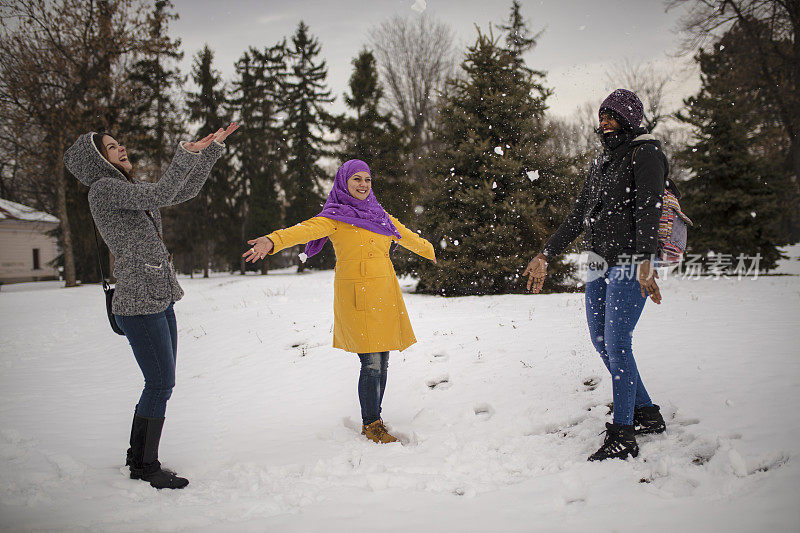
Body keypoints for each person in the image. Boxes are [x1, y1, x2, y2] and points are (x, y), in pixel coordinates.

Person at [63, 123, 239, 488]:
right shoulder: (104, 189)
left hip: (158, 295)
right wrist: (185, 153)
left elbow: (182, 190)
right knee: (159, 383)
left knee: (162, 383)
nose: (122, 149)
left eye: (119, 144)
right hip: (137, 303)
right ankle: (145, 466)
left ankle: (137, 458)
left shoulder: (129, 188)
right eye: (112, 148)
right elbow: (164, 189)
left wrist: (210, 152)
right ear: (98, 161)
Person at [523, 89, 671, 461]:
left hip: (629, 262)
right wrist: (546, 253)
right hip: (597, 262)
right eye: (602, 115)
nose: (604, 122)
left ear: (629, 119)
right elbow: (578, 216)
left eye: (612, 116)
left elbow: (649, 209)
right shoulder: (602, 162)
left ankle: (623, 435)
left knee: (618, 342)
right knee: (601, 340)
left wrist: (645, 261)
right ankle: (646, 413)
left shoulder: (646, 152)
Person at [243, 159, 436, 444]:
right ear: (343, 182)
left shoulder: (379, 214)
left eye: (367, 180)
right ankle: (371, 424)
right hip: (357, 297)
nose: (363, 185)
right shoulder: (335, 217)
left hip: (384, 294)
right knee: (370, 363)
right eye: (356, 179)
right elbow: (304, 230)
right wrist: (273, 240)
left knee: (382, 362)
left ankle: (375, 418)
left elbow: (405, 235)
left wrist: (432, 251)